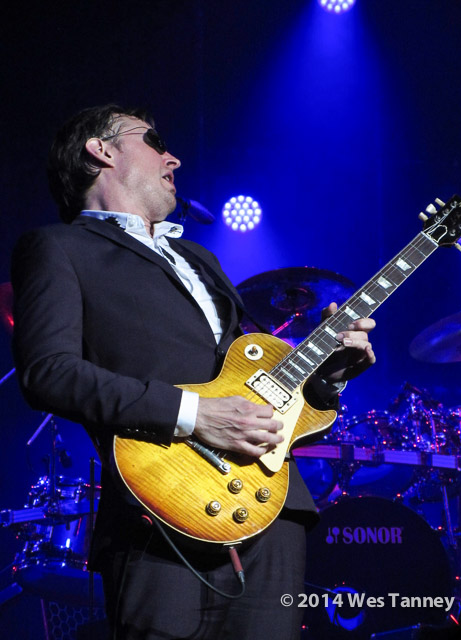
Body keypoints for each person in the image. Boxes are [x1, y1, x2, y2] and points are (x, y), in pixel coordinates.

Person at [11, 104, 376, 640]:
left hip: (271, 505)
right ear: (101, 150)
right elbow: (48, 372)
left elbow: (254, 386)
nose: (173, 158)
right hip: (160, 506)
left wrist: (330, 374)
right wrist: (195, 415)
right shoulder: (58, 248)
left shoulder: (202, 260)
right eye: (154, 141)